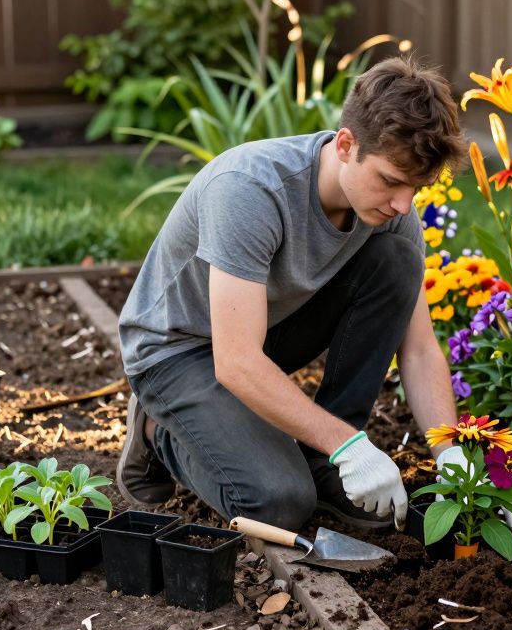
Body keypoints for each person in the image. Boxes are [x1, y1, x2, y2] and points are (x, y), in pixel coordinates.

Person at [115, 56, 466, 532]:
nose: (404, 204)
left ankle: (327, 457)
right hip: (177, 351)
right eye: (391, 181)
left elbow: (421, 350)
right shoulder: (250, 191)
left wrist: (452, 455)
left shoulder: (392, 217)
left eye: (417, 188)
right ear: (346, 145)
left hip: (262, 332)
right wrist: (348, 444)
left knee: (397, 260)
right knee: (280, 504)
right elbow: (236, 360)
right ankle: (159, 432)